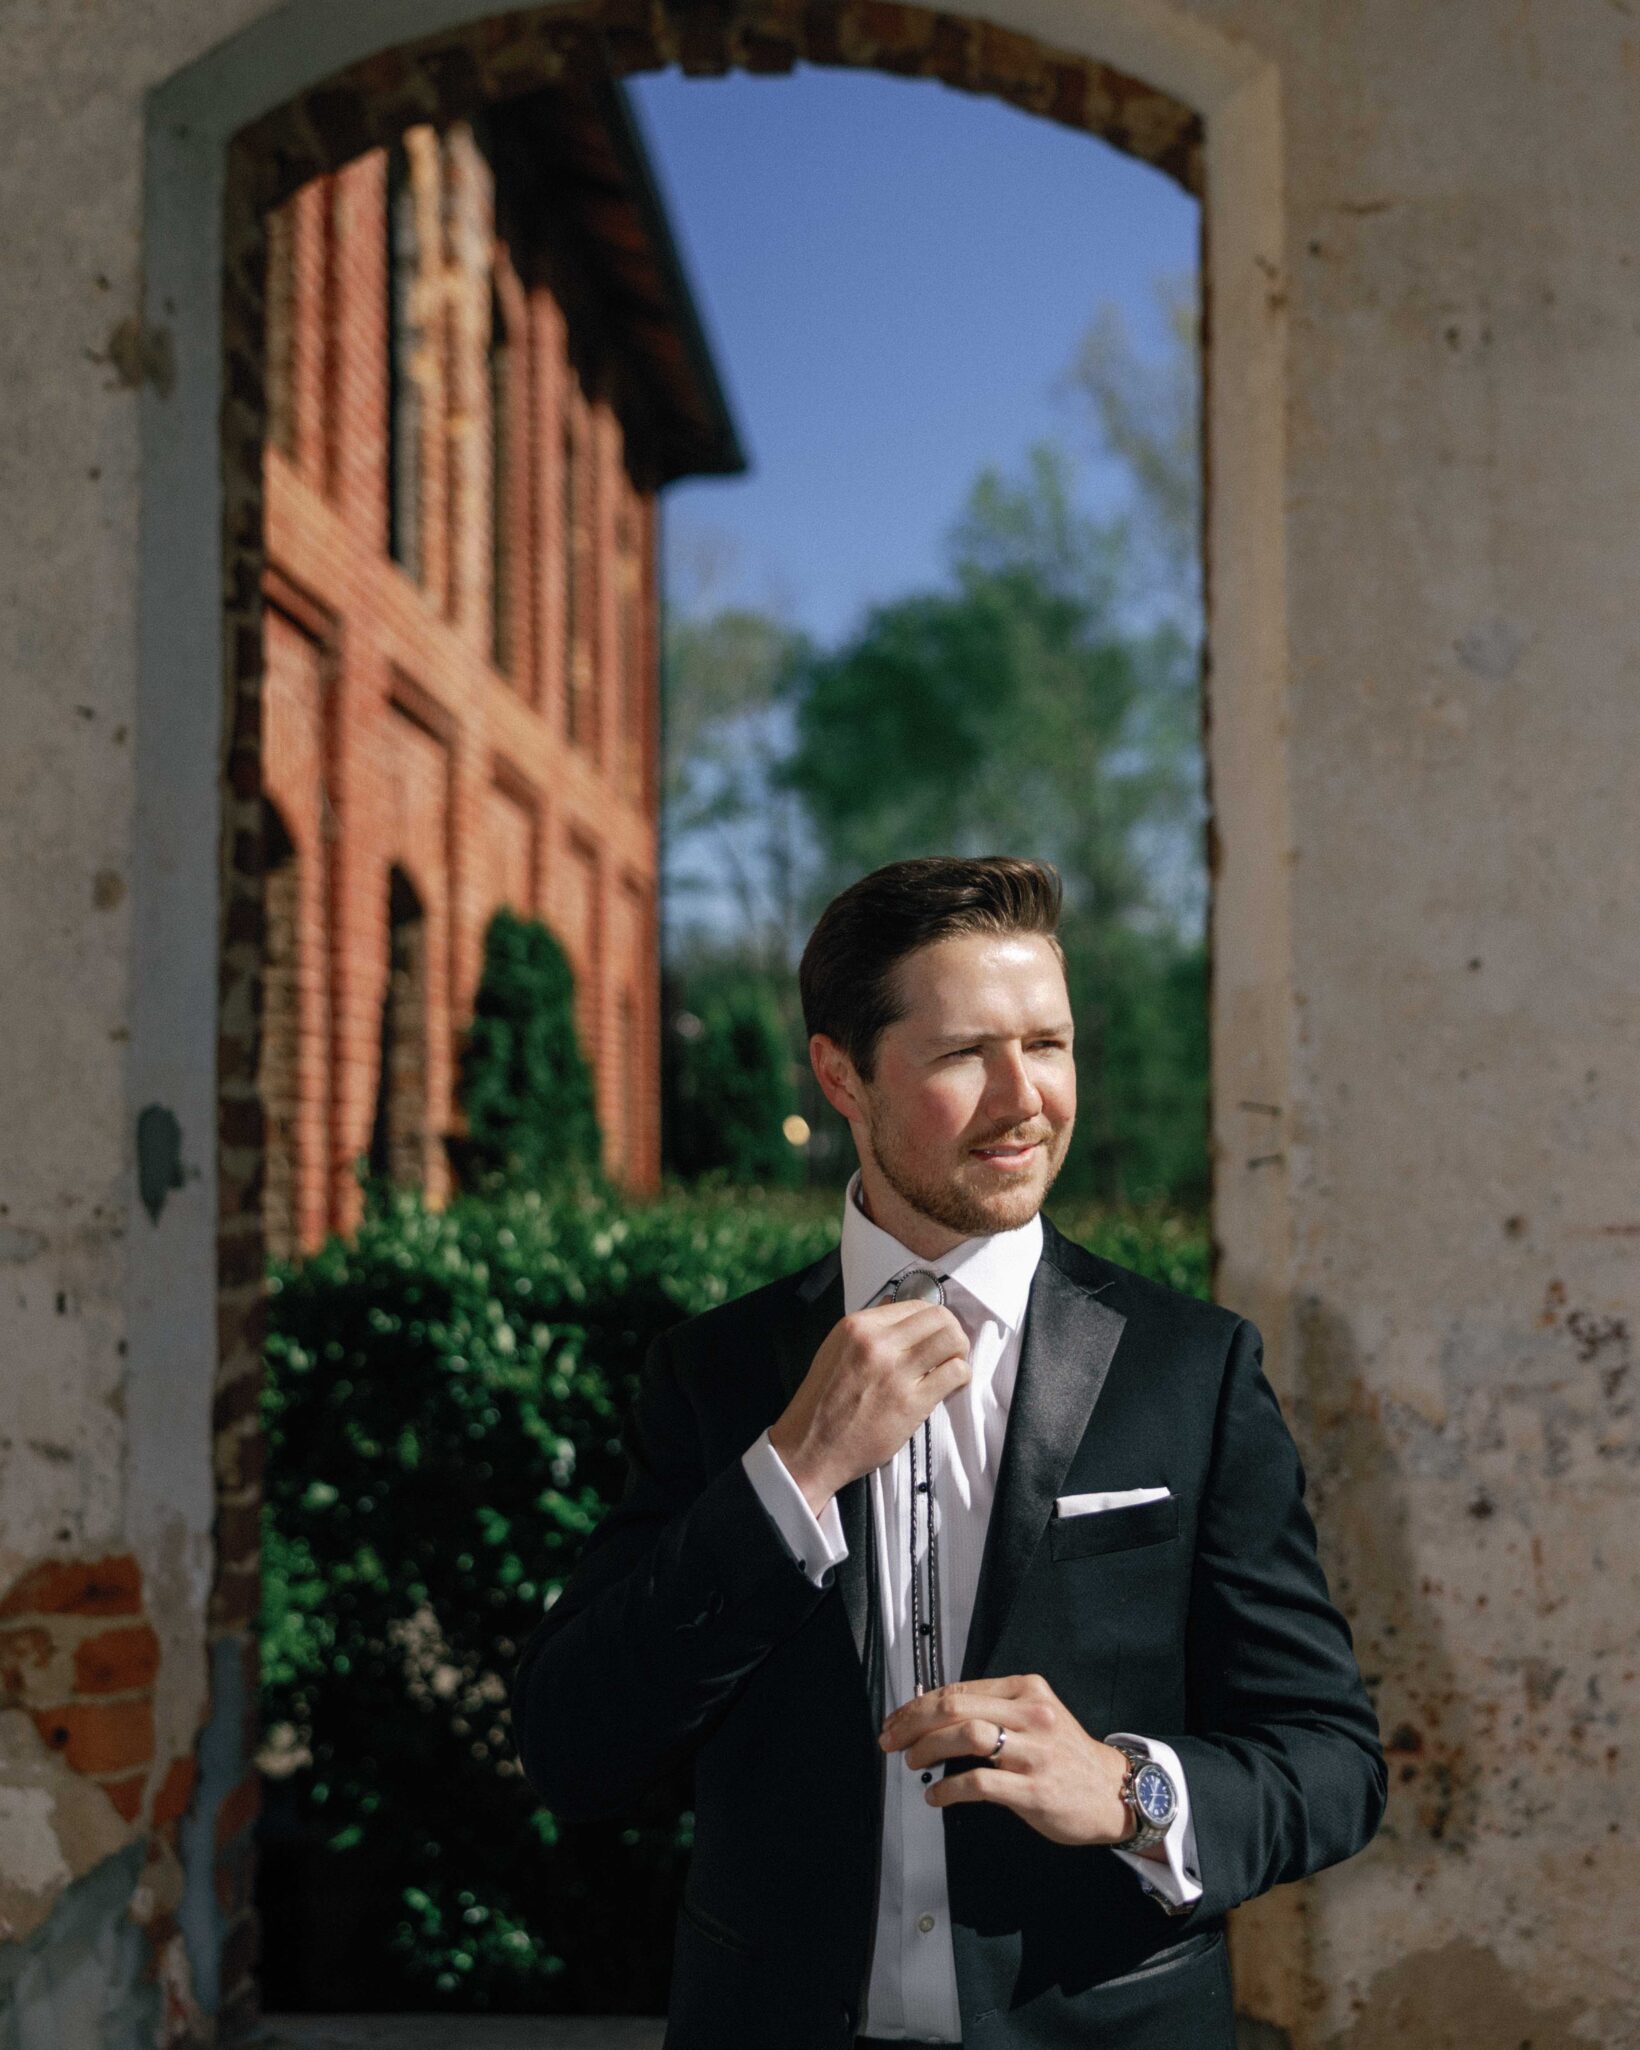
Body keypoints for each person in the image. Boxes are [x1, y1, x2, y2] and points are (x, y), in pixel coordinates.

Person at [511, 855, 1385, 2050]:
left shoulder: (1193, 1368)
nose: (1024, 1098)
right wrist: (792, 1472)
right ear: (840, 1075)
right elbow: (575, 1746)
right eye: (965, 1053)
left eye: (1050, 1044)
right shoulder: (712, 1375)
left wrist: (1130, 1792)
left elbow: (1332, 1763)